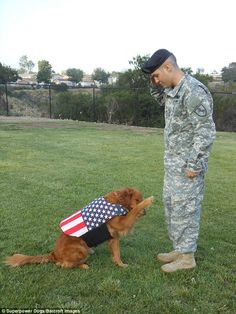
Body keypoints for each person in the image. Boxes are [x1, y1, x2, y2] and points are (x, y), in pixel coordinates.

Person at [142, 49, 216, 273]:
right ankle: (180, 249)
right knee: (174, 207)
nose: (155, 81)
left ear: (168, 67)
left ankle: (187, 257)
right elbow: (158, 97)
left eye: (156, 75)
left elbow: (205, 131)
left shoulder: (193, 91)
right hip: (174, 164)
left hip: (188, 166)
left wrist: (195, 164)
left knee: (187, 208)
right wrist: (154, 81)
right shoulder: (172, 90)